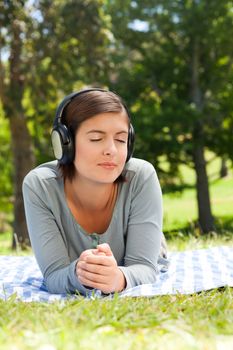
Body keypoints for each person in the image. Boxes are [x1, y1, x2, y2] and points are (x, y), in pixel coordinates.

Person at [22, 88, 168, 296]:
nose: (112, 150)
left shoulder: (141, 176)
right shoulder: (39, 186)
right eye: (96, 139)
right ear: (65, 143)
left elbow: (144, 268)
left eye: (120, 139)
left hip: (146, 250)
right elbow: (54, 276)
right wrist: (80, 274)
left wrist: (119, 279)